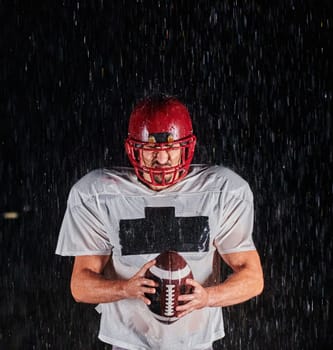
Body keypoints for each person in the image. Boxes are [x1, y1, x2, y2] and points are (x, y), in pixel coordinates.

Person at [55, 94, 264, 350]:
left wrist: (207, 297)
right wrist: (125, 289)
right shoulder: (98, 193)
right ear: (133, 149)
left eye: (170, 148)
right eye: (151, 149)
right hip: (128, 342)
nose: (162, 159)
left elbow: (253, 278)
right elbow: (80, 286)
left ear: (187, 146)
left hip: (194, 344)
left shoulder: (223, 190)